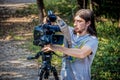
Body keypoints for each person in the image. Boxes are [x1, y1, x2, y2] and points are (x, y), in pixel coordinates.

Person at [42, 9, 98, 80]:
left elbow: (81, 53)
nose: (75, 24)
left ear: (88, 23)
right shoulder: (70, 31)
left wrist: (58, 48)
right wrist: (49, 19)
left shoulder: (92, 40)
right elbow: (58, 24)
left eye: (79, 21)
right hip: (65, 77)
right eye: (75, 21)